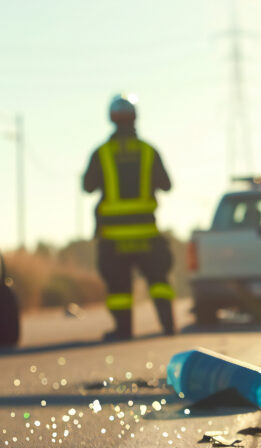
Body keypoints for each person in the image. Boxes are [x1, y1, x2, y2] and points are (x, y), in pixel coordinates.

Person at [83, 94, 175, 340]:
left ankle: (123, 331)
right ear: (135, 118)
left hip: (113, 237)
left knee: (119, 288)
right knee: (159, 282)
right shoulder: (148, 151)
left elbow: (87, 186)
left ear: (111, 119)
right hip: (147, 233)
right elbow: (166, 185)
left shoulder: (101, 153)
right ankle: (168, 326)